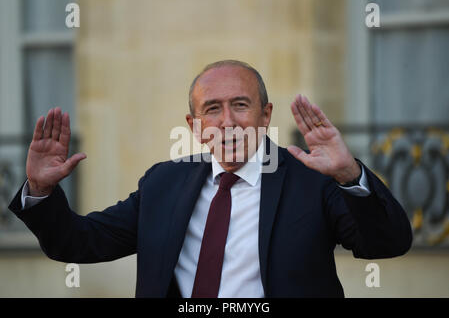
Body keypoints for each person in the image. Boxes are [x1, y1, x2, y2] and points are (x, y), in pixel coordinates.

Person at [9, 60, 412, 298]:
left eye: (240, 105)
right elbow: (78, 241)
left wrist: (349, 175)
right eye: (212, 109)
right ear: (194, 124)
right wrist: (42, 190)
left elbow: (387, 243)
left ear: (265, 115)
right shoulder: (164, 182)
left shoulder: (312, 180)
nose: (228, 121)